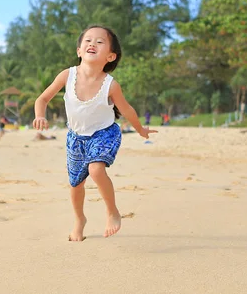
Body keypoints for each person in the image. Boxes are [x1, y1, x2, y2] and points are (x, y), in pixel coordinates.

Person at [33, 25, 157, 241]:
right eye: (88, 41)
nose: (92, 44)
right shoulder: (67, 75)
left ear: (110, 56)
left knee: (96, 169)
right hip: (76, 138)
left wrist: (141, 129)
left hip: (104, 134)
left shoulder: (110, 85)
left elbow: (127, 110)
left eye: (100, 42)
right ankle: (80, 219)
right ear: (79, 51)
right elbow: (42, 99)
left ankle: (112, 212)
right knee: (76, 185)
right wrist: (40, 115)